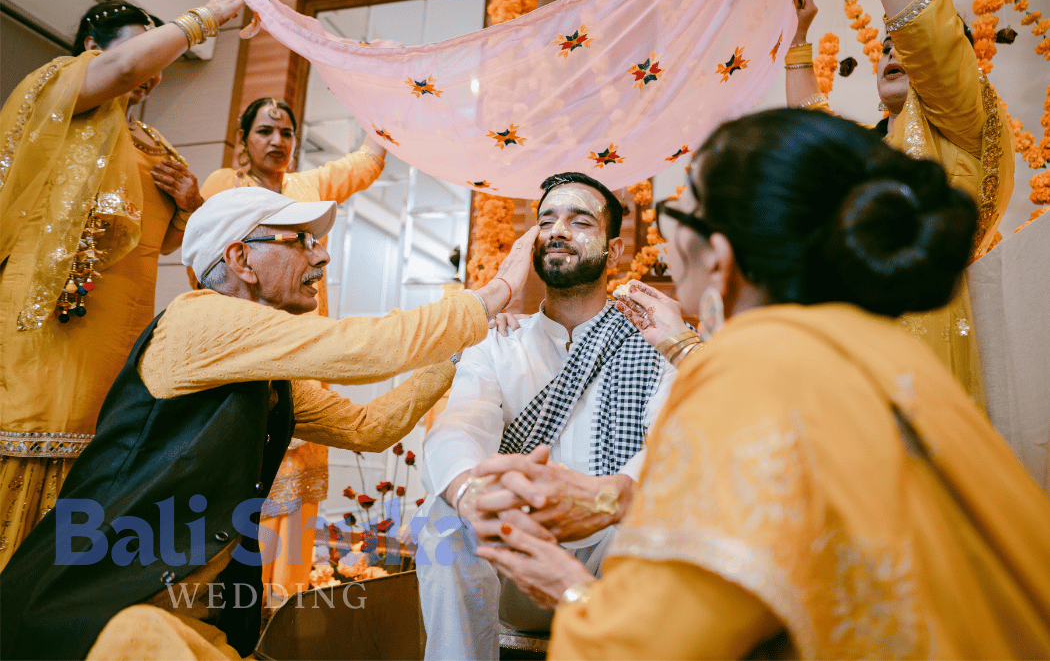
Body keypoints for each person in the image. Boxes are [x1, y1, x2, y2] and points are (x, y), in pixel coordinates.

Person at [476, 108, 1050, 659]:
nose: (667, 246)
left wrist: (568, 590)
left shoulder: (750, 368)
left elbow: (646, 649)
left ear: (720, 261)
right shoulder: (888, 351)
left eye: (678, 217)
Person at [0, 187, 538, 661]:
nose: (322, 254)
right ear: (241, 259)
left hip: (175, 617)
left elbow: (366, 428)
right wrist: (497, 291)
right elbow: (370, 347)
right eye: (301, 240)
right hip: (88, 612)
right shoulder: (197, 320)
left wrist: (457, 357)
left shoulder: (259, 368)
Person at [0, 0, 246, 570]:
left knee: (96, 454)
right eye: (145, 53)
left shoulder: (154, 144)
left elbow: (161, 241)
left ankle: (49, 602)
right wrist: (210, 16)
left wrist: (191, 202)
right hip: (52, 320)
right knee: (37, 428)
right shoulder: (62, 92)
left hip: (121, 330)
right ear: (92, 48)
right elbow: (121, 70)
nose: (154, 74)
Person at [415, 172, 677, 660]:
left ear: (614, 252)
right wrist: (471, 496)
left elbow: (672, 445)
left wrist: (608, 499)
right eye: (547, 221)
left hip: (613, 551)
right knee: (444, 520)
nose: (558, 231)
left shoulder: (652, 345)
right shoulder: (499, 341)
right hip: (512, 552)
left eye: (581, 221)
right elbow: (462, 424)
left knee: (660, 517)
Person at [786, 0, 1014, 410]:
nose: (894, 53)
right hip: (848, 340)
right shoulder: (869, 153)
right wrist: (798, 36)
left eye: (905, 47)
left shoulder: (965, 125)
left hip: (924, 336)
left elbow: (927, 33)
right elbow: (810, 133)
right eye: (885, 49)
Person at [198, 96, 388, 606]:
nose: (278, 141)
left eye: (286, 132)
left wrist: (383, 100)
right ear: (244, 140)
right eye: (265, 130)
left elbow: (367, 163)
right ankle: (235, 611)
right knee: (245, 486)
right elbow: (203, 268)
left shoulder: (307, 188)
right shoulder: (225, 186)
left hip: (304, 360)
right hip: (246, 357)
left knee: (298, 486)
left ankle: (286, 609)